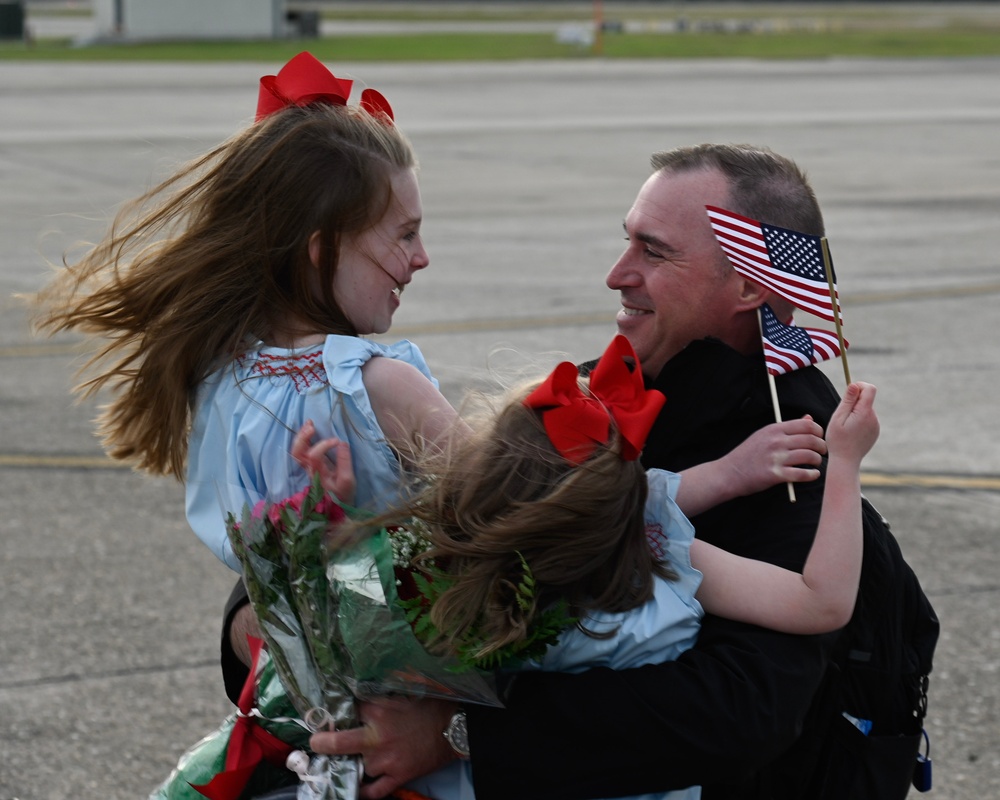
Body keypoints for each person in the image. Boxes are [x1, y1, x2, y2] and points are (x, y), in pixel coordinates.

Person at [294, 143, 925, 800]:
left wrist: (464, 733)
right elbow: (463, 523)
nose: (617, 274)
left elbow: (743, 707)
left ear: (747, 284)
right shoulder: (598, 393)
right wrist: (285, 590)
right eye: (627, 243)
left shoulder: (790, 450)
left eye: (653, 252)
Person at [296, 334, 879, 800]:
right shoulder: (663, 559)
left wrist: (342, 516)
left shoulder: (461, 572)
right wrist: (845, 463)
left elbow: (356, 597)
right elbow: (820, 601)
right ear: (627, 508)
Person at [30, 51, 459, 646]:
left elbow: (277, 600)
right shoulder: (378, 388)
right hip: (411, 682)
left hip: (296, 704)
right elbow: (511, 520)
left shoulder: (223, 382)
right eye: (405, 233)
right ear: (324, 247)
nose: (422, 256)